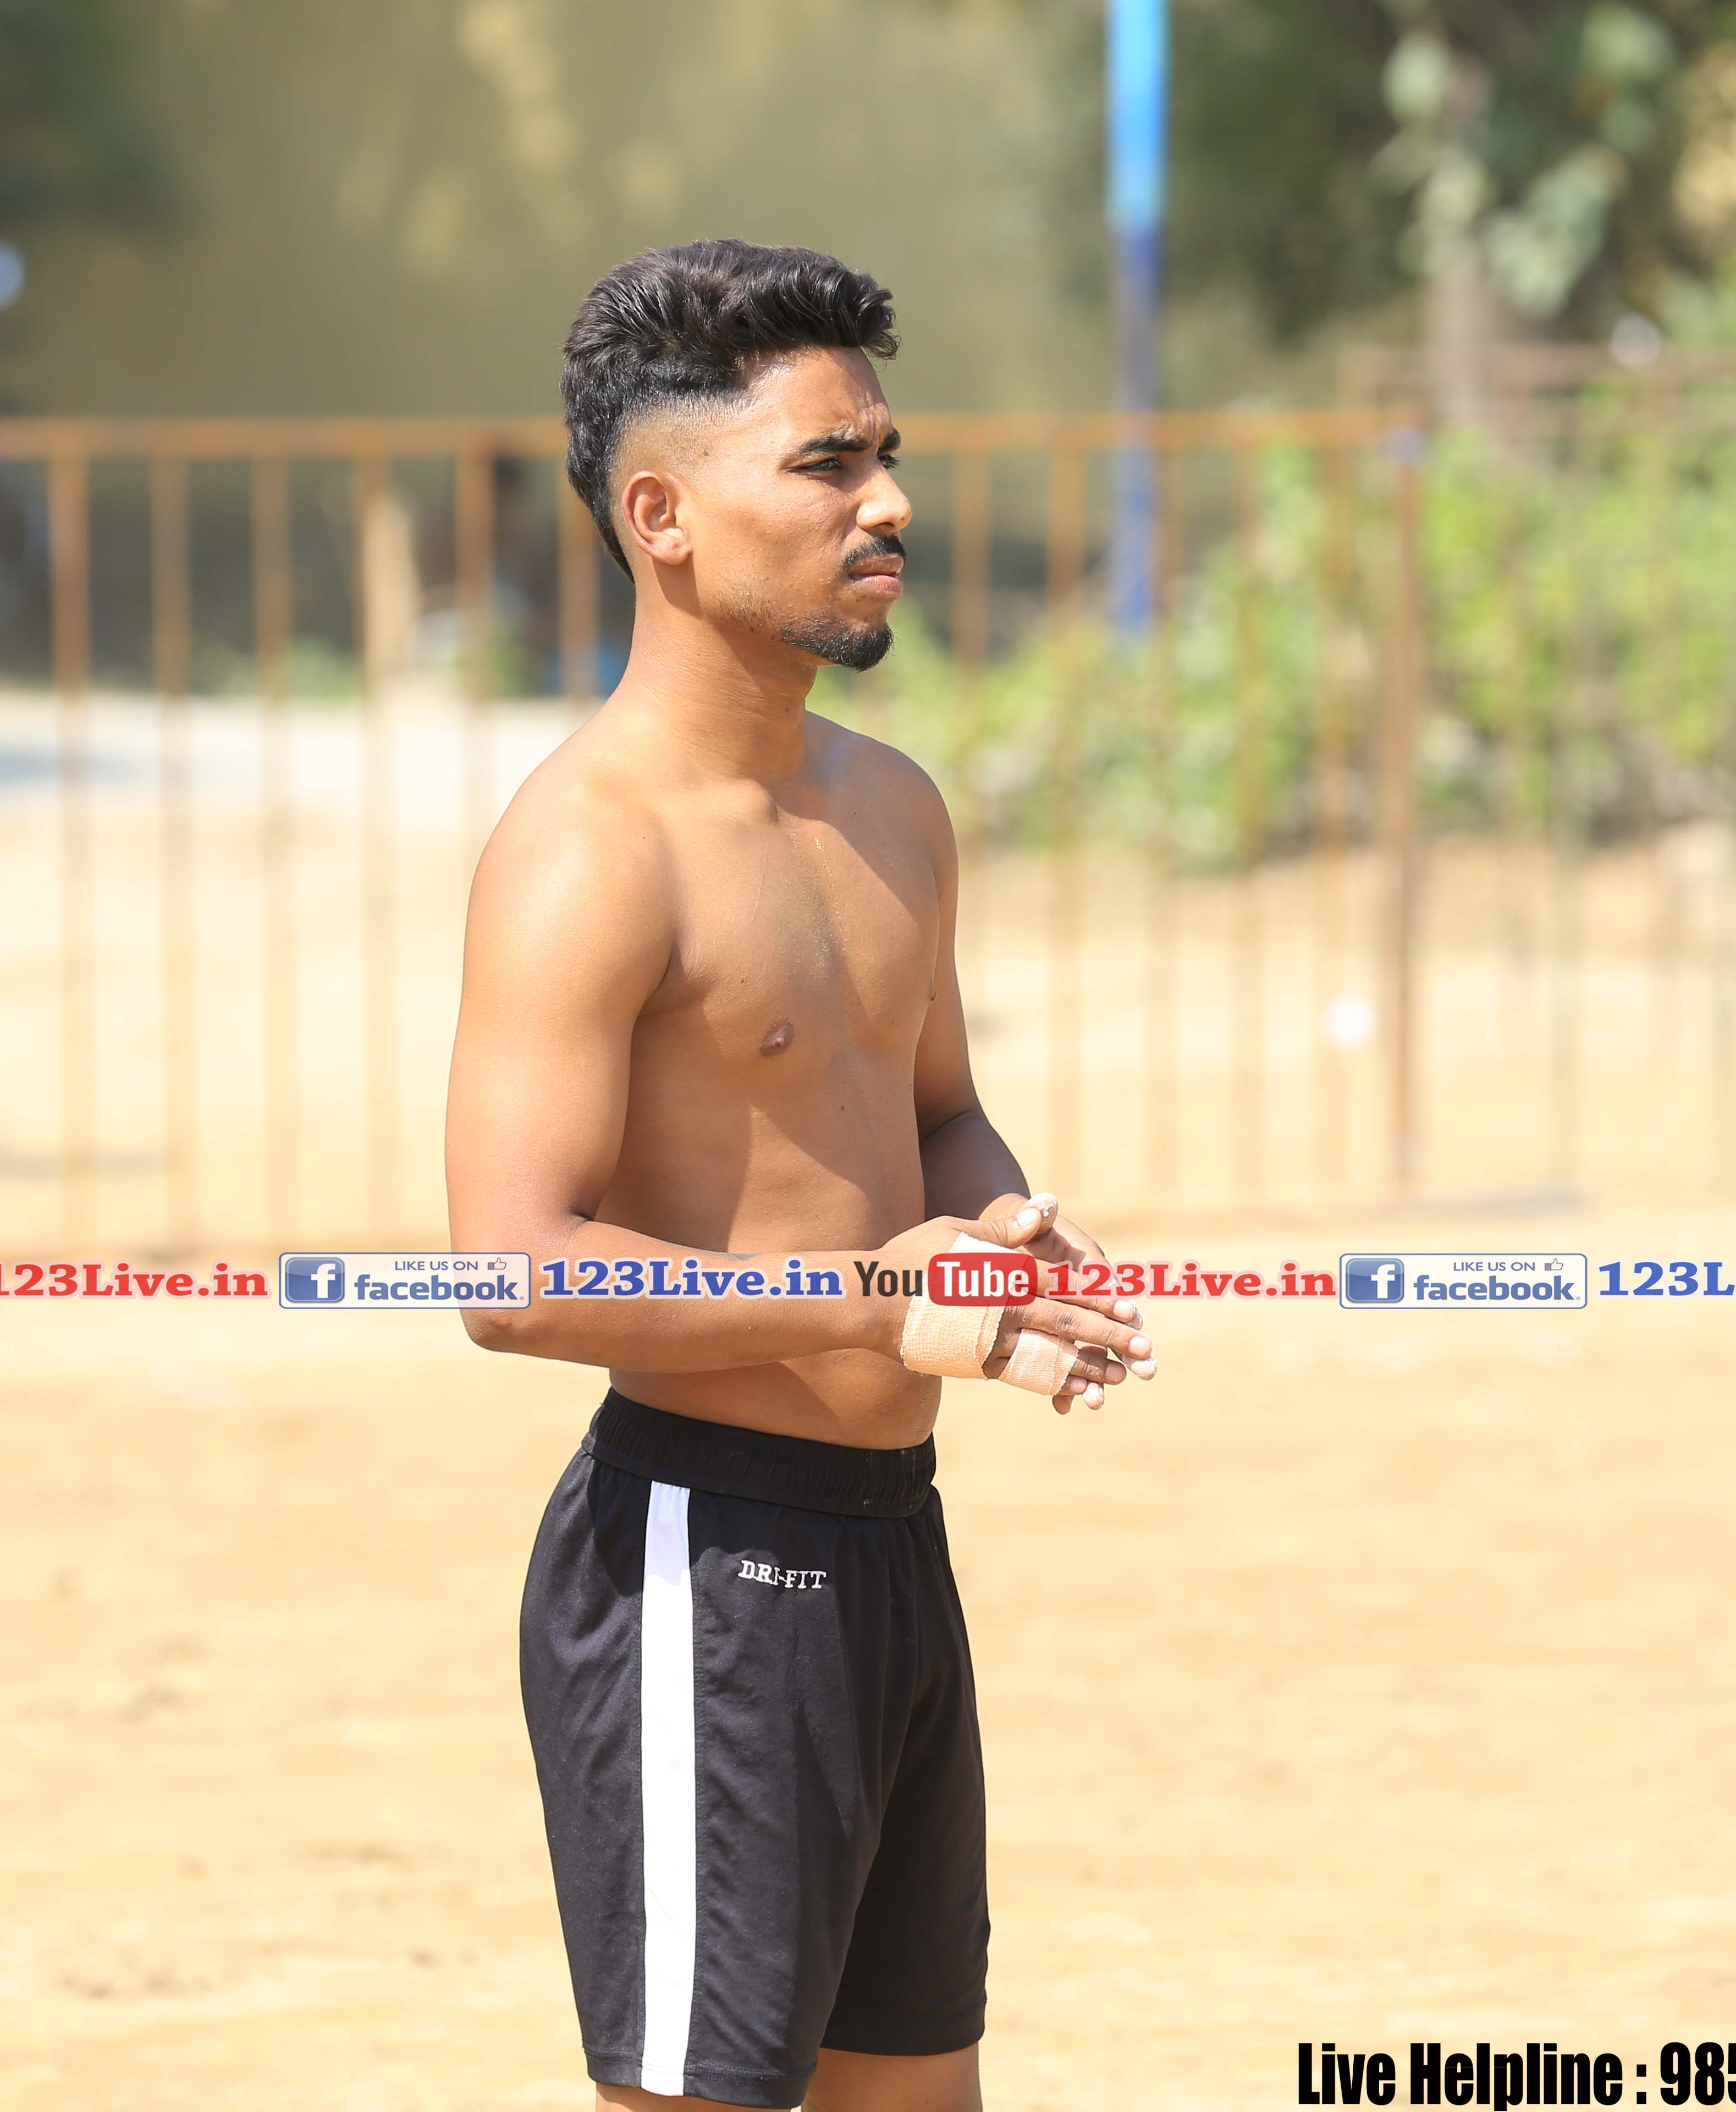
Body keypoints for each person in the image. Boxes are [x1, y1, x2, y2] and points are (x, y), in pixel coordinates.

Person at [444, 240, 1158, 2112]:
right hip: (704, 1558)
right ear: (663, 518)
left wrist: (1002, 1232)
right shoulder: (587, 850)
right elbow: (508, 1273)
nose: (889, 502)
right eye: (828, 464)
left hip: (893, 1550)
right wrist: (869, 1304)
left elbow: (941, 1116)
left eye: (886, 454)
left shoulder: (894, 808)